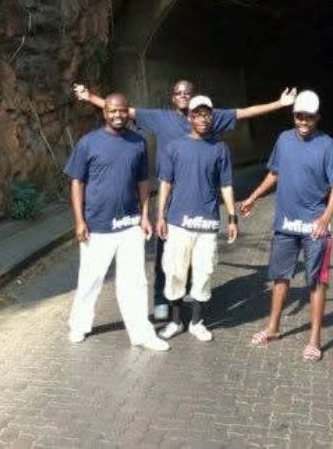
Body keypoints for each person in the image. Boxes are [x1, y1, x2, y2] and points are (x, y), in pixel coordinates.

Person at [74, 80, 297, 321]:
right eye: (178, 93)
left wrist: (279, 104)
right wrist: (89, 97)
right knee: (165, 253)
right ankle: (162, 299)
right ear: (172, 97)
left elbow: (244, 112)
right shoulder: (159, 118)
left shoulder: (208, 117)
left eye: (187, 93)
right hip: (171, 196)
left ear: (193, 97)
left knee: (194, 253)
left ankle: (188, 296)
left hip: (198, 197)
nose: (182, 96)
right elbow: (121, 110)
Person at [239, 90, 333, 361]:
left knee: (317, 281)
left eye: (309, 117)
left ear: (317, 117)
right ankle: (273, 328)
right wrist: (253, 196)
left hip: (315, 228)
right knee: (280, 277)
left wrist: (325, 218)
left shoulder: (329, 146)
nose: (303, 121)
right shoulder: (284, 140)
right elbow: (275, 173)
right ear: (294, 116)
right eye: (299, 116)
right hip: (285, 225)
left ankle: (314, 341)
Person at [64, 92, 169, 351]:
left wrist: (145, 215)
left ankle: (142, 333)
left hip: (130, 224)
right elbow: (77, 182)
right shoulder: (88, 143)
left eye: (122, 110)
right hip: (97, 225)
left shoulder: (138, 142)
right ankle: (79, 325)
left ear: (127, 111)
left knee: (135, 281)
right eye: (112, 110)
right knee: (90, 279)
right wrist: (79, 221)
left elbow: (143, 181)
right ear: (105, 113)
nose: (118, 115)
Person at [156, 95, 238, 342]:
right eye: (198, 114)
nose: (203, 118)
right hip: (178, 223)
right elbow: (165, 183)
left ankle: (197, 322)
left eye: (207, 114)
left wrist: (232, 217)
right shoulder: (174, 147)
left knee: (204, 272)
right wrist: (160, 216)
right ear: (190, 117)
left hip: (207, 224)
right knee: (175, 272)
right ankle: (175, 321)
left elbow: (226, 185)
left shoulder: (220, 148)